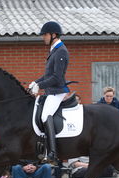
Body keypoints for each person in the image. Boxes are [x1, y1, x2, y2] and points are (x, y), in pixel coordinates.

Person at [28, 21, 70, 162]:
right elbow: (47, 75)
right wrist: (36, 82)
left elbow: (57, 77)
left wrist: (39, 86)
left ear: (53, 35)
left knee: (46, 115)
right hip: (51, 90)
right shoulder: (54, 50)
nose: (43, 37)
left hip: (57, 91)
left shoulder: (61, 51)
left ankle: (52, 152)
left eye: (45, 35)